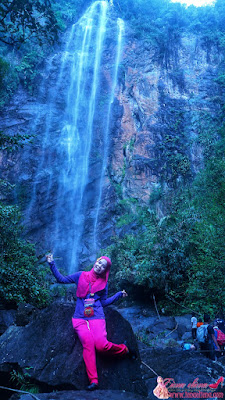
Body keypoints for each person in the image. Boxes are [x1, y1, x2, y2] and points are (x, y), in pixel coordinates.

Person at [46, 254, 131, 391]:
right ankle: (94, 380)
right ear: (95, 262)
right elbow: (61, 279)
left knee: (101, 345)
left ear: (105, 270)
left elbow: (103, 302)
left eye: (103, 266)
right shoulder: (80, 275)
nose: (99, 266)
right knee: (88, 344)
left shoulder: (104, 284)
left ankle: (123, 349)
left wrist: (118, 295)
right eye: (99, 263)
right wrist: (52, 264)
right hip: (79, 318)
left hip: (96, 316)